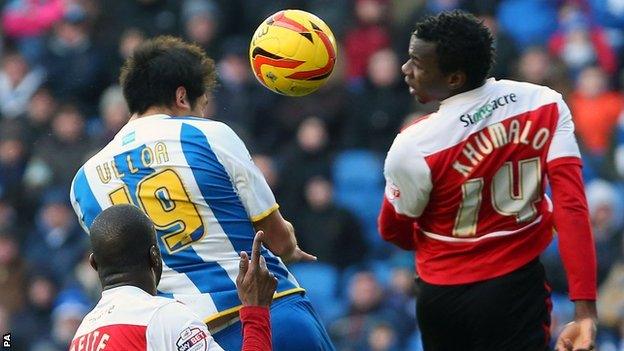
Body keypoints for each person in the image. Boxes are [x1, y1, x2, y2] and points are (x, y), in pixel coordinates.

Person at [70, 36, 335, 351]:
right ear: (182, 96)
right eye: (203, 105)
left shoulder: (83, 183)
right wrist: (291, 247)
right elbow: (277, 240)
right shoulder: (208, 135)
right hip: (274, 314)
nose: (203, 115)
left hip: (185, 336)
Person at [378, 11, 597, 351]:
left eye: (418, 63)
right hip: (518, 289)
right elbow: (571, 206)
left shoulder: (414, 144)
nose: (406, 69)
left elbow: (394, 231)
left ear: (453, 78)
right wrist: (584, 311)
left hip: (443, 297)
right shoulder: (545, 103)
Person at [70, 204, 275, 350]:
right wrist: (255, 309)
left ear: (94, 264)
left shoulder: (81, 336)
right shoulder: (162, 316)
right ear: (154, 257)